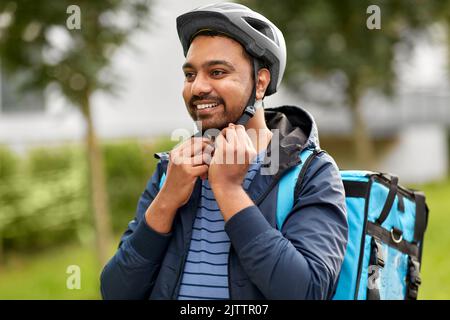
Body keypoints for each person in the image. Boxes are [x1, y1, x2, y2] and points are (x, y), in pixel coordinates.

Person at [100, 2, 348, 300]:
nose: (197, 88)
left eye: (216, 72)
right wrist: (166, 200)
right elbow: (115, 292)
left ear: (260, 83)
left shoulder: (311, 172)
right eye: (190, 75)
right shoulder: (173, 169)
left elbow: (306, 292)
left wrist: (229, 191)